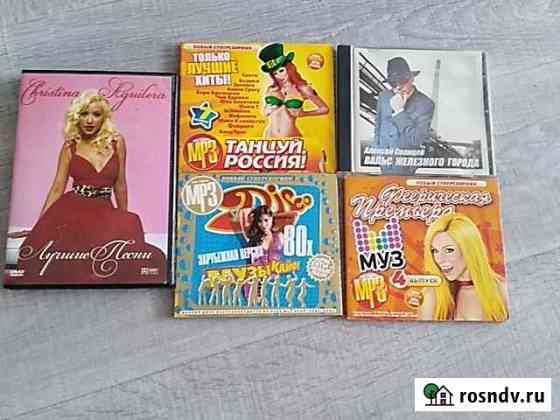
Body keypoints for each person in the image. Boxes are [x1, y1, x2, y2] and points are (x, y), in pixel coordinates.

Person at [11, 90, 166, 285]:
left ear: (104, 117)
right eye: (84, 114)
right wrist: (39, 226)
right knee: (73, 258)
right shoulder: (70, 146)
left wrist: (122, 217)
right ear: (77, 117)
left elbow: (120, 184)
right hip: (72, 210)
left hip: (104, 209)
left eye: (96, 114)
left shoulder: (117, 142)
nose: (90, 120)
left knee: (130, 232)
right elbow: (57, 188)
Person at [419, 213, 509, 321]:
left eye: (449, 250)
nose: (439, 259)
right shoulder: (431, 295)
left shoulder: (501, 289)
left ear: (469, 250)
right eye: (434, 251)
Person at [374, 57, 435, 175]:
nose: (398, 87)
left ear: (412, 78)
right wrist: (377, 151)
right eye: (393, 83)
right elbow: (378, 126)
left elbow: (416, 139)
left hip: (406, 168)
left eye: (402, 81)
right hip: (383, 163)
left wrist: (399, 112)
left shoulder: (426, 104)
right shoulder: (383, 97)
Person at [259, 43, 329, 139]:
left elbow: (324, 109)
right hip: (269, 136)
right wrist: (265, 110)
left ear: (289, 69)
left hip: (292, 139)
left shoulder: (302, 89)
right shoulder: (271, 89)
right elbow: (265, 111)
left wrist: (304, 114)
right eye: (275, 73)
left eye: (281, 71)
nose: (279, 76)